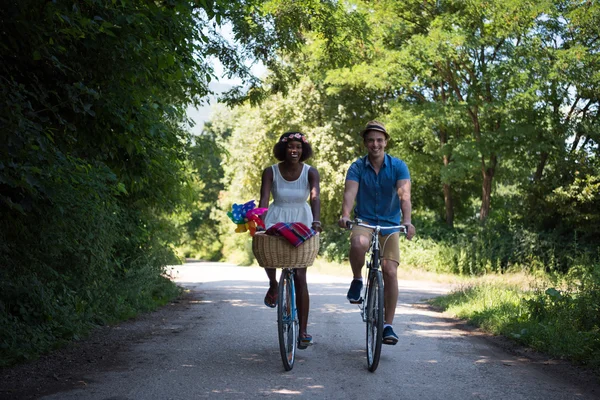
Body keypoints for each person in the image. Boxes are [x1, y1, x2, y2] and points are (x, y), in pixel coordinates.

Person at [338, 120, 415, 345]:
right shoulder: (357, 167)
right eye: (371, 140)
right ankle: (356, 279)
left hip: (390, 224)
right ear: (365, 143)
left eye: (379, 140)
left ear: (386, 142)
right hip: (365, 220)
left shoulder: (398, 166)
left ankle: (388, 325)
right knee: (359, 243)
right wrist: (345, 214)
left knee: (390, 270)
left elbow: (405, 196)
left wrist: (407, 222)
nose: (375, 144)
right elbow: (350, 193)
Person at [259, 131, 322, 349]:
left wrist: (316, 221)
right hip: (277, 216)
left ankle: (303, 331)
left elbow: (315, 197)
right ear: (282, 149)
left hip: (301, 220)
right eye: (290, 146)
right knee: (267, 251)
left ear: (303, 150)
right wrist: (260, 220)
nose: (294, 150)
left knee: (301, 276)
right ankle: (273, 284)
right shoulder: (270, 171)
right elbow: (265, 199)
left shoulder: (310, 172)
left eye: (298, 146)